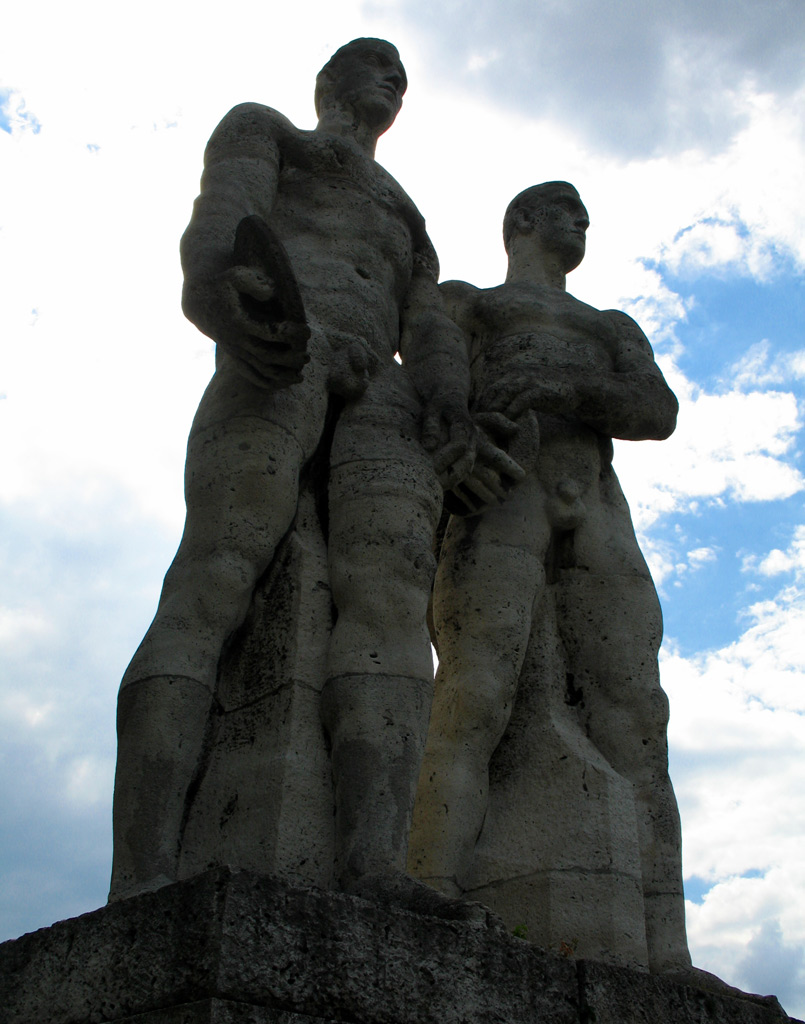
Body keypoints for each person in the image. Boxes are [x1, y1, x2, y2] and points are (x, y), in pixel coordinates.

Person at [109, 38, 510, 914]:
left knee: (390, 607)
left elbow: (427, 320)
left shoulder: (407, 214)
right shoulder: (269, 132)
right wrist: (222, 289)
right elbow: (223, 222)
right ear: (329, 83)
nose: (392, 81)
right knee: (215, 575)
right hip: (288, 352)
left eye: (402, 76)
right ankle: (140, 873)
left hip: (384, 393)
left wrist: (449, 408)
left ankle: (374, 863)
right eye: (375, 66)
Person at [410, 181, 695, 972]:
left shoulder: (608, 325)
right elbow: (433, 392)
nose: (582, 223)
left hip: (593, 500)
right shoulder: (471, 303)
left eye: (587, 215)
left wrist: (558, 387)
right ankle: (428, 884)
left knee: (637, 716)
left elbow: (656, 408)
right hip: (503, 493)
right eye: (567, 210)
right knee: (476, 689)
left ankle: (665, 951)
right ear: (521, 223)